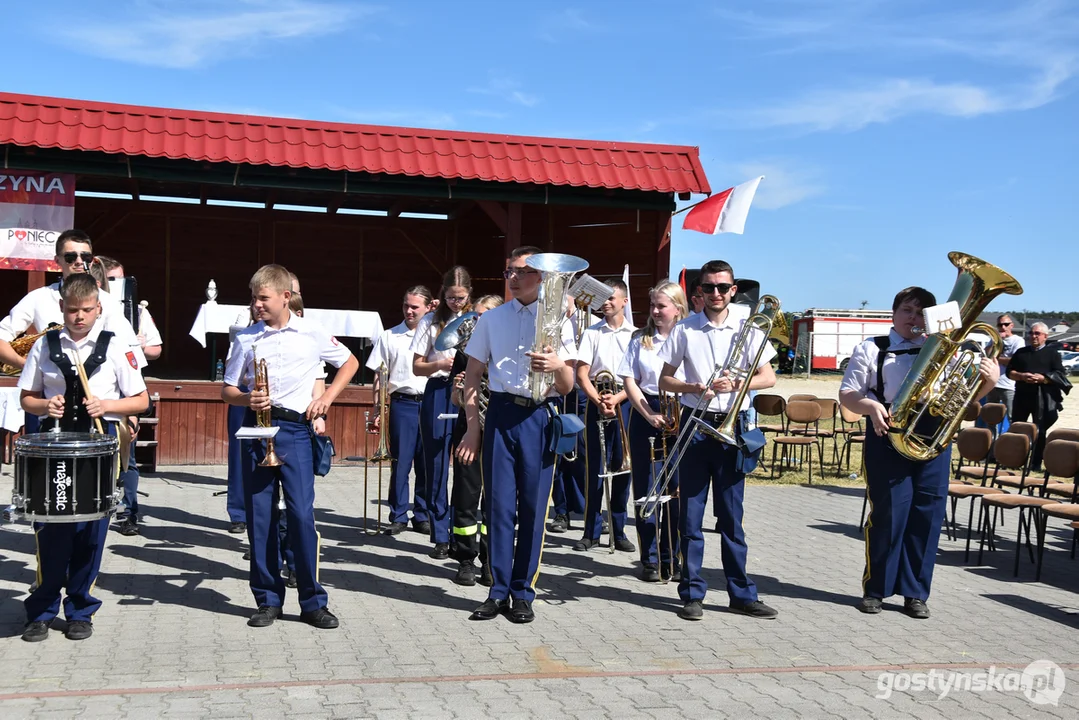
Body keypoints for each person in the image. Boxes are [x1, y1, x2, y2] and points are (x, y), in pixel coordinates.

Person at [840, 286, 998, 619]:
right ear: (894, 314)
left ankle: (915, 593)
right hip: (888, 432)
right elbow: (848, 394)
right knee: (888, 515)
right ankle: (876, 589)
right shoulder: (872, 348)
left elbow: (967, 405)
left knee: (927, 515)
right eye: (908, 311)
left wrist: (988, 383)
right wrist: (869, 406)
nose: (914, 318)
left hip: (933, 435)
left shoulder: (947, 348)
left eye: (921, 312)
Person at [222, 264, 358, 629]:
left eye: (263, 298)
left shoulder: (310, 331)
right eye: (253, 298)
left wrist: (327, 398)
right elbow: (227, 390)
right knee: (260, 519)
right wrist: (246, 399)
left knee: (300, 516)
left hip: (296, 431)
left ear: (285, 296)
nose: (257, 305)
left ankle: (313, 601)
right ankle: (268, 599)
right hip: (257, 431)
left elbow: (349, 362)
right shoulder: (245, 338)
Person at [17, 274, 149, 641]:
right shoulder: (44, 345)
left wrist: (106, 405)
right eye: (72, 310)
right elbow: (27, 397)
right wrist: (47, 404)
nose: (79, 317)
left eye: (86, 310)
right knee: (49, 528)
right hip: (54, 445)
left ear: (98, 309)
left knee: (91, 530)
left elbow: (141, 400)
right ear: (61, 308)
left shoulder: (117, 346)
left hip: (98, 444)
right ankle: (41, 609)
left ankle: (80, 608)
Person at [456, 246, 575, 624]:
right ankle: (497, 591)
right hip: (502, 414)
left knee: (534, 510)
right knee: (499, 509)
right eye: (508, 271)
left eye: (520, 272)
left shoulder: (558, 320)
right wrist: (474, 428)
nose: (511, 278)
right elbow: (473, 375)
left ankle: (523, 592)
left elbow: (569, 385)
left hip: (540, 415)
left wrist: (557, 365)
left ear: (540, 276)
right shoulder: (492, 320)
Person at [658, 260, 779, 622]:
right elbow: (665, 380)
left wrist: (738, 384)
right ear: (699, 292)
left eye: (722, 288)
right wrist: (694, 387)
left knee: (731, 519)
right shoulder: (685, 330)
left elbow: (769, 378)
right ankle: (692, 593)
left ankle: (741, 594)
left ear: (732, 290)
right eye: (708, 288)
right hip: (696, 427)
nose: (715, 294)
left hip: (733, 428)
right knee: (690, 519)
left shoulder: (750, 328)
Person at [0, 231, 146, 439]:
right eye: (71, 257)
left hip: (103, 412)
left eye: (85, 257)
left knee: (123, 470)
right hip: (49, 404)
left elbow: (131, 358)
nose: (79, 262)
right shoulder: (38, 298)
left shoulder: (108, 302)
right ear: (57, 260)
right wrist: (30, 367)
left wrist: (132, 417)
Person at [619, 280, 689, 582]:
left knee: (676, 488)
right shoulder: (640, 338)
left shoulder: (689, 335)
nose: (656, 311)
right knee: (646, 488)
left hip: (681, 409)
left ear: (678, 308)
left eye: (662, 305)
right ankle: (648, 559)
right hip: (645, 410)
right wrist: (647, 413)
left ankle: (670, 555)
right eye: (653, 306)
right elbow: (630, 380)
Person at [98, 255, 165, 536]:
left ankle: (129, 511)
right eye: (112, 280)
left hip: (127, 390)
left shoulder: (136, 311)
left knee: (129, 457)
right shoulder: (87, 309)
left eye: (121, 280)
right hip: (95, 395)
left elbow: (156, 349)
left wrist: (139, 345)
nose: (117, 285)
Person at [412, 266, 472, 558]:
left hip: (468, 391)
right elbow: (416, 366)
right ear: (442, 293)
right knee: (436, 464)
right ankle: (440, 534)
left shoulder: (478, 319)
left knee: (466, 466)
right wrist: (439, 364)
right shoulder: (430, 321)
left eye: (460, 298)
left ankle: (464, 533)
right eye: (450, 297)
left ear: (469, 295)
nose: (455, 303)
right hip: (438, 391)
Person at [574, 281, 636, 553]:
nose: (606, 303)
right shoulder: (591, 332)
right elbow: (581, 373)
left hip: (626, 400)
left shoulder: (636, 334)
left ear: (624, 301)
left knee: (623, 466)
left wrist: (619, 398)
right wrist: (598, 399)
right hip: (596, 399)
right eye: (603, 299)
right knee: (595, 467)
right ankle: (591, 531)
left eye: (612, 298)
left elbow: (640, 377)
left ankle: (619, 530)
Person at [366, 286, 433, 536]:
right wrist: (377, 409)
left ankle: (423, 514)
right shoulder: (389, 336)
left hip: (430, 403)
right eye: (406, 305)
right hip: (402, 403)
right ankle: (398, 514)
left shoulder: (436, 336)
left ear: (428, 308)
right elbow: (378, 376)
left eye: (415, 306)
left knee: (427, 463)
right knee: (401, 462)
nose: (409, 311)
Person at [448, 294, 503, 586]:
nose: (477, 321)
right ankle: (465, 559)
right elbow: (454, 398)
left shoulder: (505, 347)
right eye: (475, 316)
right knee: (466, 496)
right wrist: (458, 390)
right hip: (468, 427)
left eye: (484, 316)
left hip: (497, 427)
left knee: (496, 500)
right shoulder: (465, 350)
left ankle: (491, 561)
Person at [548, 295, 588, 534]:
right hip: (556, 393)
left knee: (582, 453)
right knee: (559, 453)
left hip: (581, 394)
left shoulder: (589, 322)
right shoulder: (549, 324)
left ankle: (586, 507)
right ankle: (561, 511)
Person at [1009, 322, 1068, 473]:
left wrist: (1043, 378)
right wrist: (1022, 376)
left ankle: (1036, 462)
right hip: (1022, 396)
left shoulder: (1052, 354)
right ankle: (1014, 460)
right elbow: (1009, 372)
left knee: (1040, 431)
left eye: (1037, 334)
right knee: (1017, 428)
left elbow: (1060, 375)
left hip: (1042, 398)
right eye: (1031, 333)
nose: (1033, 336)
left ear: (1045, 337)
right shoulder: (1021, 352)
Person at [984, 314, 1023, 427]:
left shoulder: (1017, 340)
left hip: (1008, 384)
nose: (1003, 327)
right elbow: (988, 353)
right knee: (990, 416)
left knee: (1012, 416)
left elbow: (1015, 361)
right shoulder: (995, 340)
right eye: (1000, 325)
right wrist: (997, 340)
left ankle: (1011, 441)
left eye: (1006, 324)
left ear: (1011, 325)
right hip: (993, 383)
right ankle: (990, 442)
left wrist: (996, 358)